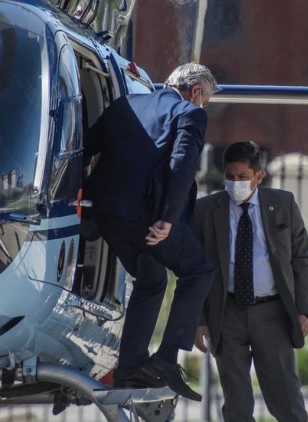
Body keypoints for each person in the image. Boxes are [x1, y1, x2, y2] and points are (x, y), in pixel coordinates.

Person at [83, 63, 218, 401]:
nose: (204, 107)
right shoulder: (191, 114)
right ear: (197, 92)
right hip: (148, 218)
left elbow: (85, 146)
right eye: (206, 100)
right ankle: (167, 357)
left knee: (152, 277)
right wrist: (168, 219)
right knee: (199, 270)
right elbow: (182, 164)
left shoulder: (124, 104)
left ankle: (129, 368)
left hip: (107, 214)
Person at [192, 141, 308, 422]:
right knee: (236, 405)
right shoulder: (207, 210)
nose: (236, 183)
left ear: (258, 176)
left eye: (242, 177)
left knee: (286, 400)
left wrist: (302, 309)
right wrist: (198, 318)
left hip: (272, 314)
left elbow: (300, 258)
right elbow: (194, 269)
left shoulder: (282, 204)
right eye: (230, 177)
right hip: (227, 312)